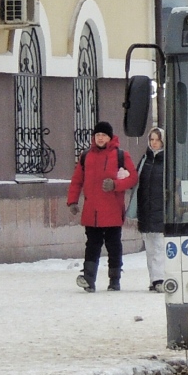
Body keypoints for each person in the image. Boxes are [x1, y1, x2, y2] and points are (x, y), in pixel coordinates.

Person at [68, 120, 138, 292]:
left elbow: (133, 178)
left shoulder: (121, 155)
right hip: (92, 211)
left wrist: (115, 185)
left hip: (112, 210)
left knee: (113, 245)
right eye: (97, 135)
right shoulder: (86, 156)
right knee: (92, 245)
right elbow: (77, 181)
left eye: (103, 135)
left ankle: (114, 280)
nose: (100, 138)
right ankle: (89, 279)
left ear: (110, 137)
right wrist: (72, 201)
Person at [136, 127, 167, 292]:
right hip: (146, 209)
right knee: (149, 247)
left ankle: (160, 278)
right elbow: (136, 180)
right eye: (152, 139)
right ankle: (153, 279)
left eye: (157, 139)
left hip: (161, 209)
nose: (154, 143)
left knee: (160, 246)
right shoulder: (144, 160)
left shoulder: (167, 160)